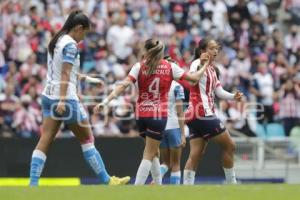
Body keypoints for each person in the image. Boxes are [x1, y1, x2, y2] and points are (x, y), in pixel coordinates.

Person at [29, 10, 130, 186]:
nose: (84, 37)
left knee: (45, 139)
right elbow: (66, 74)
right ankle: (108, 181)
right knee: (87, 139)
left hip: (47, 96)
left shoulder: (57, 40)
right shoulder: (71, 45)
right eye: (85, 32)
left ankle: (33, 184)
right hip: (65, 98)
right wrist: (62, 100)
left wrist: (88, 79)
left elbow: (64, 70)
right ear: (78, 28)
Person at [94, 38, 211, 185]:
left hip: (141, 114)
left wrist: (105, 101)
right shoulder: (169, 67)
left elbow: (123, 85)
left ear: (145, 50)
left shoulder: (139, 66)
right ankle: (138, 189)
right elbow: (194, 79)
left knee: (154, 152)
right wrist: (205, 64)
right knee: (149, 154)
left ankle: (158, 184)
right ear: (161, 52)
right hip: (158, 115)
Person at [183, 38, 243, 185]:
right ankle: (232, 185)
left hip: (194, 115)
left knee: (196, 155)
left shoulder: (212, 69)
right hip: (203, 113)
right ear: (203, 51)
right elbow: (191, 81)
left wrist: (233, 97)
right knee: (230, 146)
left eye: (217, 48)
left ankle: (186, 189)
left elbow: (219, 91)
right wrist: (202, 64)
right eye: (211, 48)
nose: (215, 51)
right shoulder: (197, 63)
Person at [158, 56, 186, 185]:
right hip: (174, 126)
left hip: (159, 126)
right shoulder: (177, 87)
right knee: (175, 164)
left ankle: (155, 179)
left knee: (165, 162)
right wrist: (182, 134)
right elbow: (180, 112)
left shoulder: (157, 85)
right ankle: (175, 192)